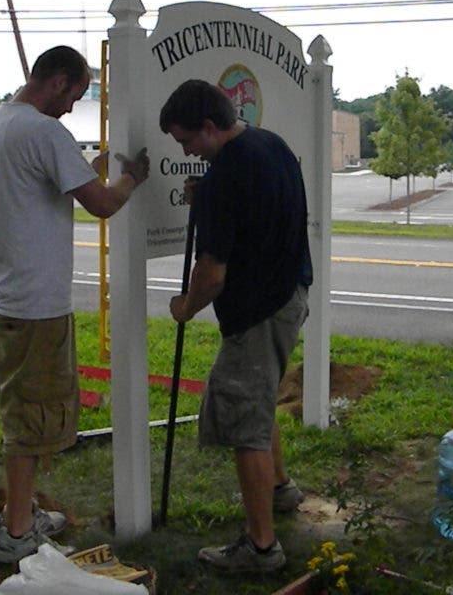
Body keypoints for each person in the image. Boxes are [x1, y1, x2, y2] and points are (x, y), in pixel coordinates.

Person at [0, 45, 150, 564]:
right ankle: (17, 535)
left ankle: (20, 512)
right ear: (55, 81)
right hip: (34, 306)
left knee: (26, 413)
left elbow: (51, 182)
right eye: (73, 95)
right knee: (31, 423)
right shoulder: (44, 130)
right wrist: (132, 177)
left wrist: (90, 167)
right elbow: (101, 203)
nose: (73, 107)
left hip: (5, 298)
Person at [160, 79, 312, 574]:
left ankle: (261, 547)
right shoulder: (268, 144)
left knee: (243, 420)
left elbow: (212, 272)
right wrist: (208, 196)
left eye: (187, 141)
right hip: (290, 293)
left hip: (257, 309)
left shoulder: (223, 178)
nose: (186, 151)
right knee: (259, 396)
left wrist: (186, 306)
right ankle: (282, 489)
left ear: (209, 126)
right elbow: (259, 204)